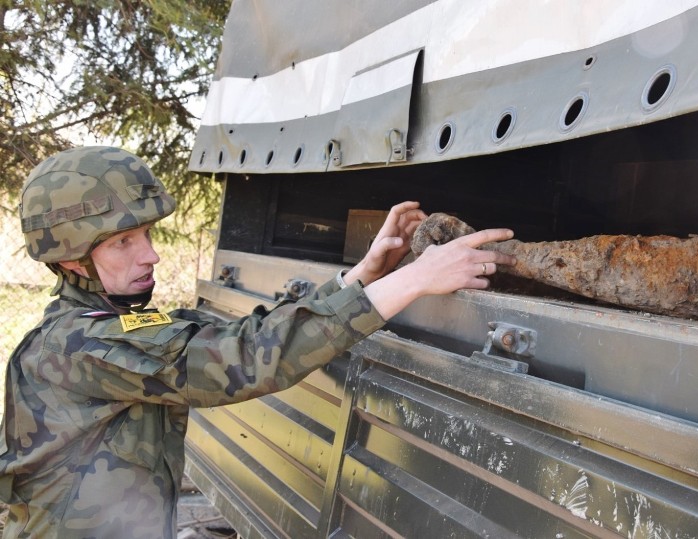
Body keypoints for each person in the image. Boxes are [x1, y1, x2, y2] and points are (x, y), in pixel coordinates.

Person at [0, 146, 515, 538]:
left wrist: (360, 276)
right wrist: (413, 280)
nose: (151, 256)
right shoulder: (75, 345)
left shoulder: (105, 321)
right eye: (123, 242)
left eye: (148, 235)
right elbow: (242, 359)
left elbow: (226, 336)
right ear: (71, 259)